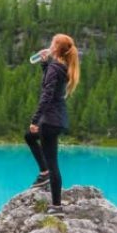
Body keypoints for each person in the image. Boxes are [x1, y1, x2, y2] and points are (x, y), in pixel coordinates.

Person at [24, 34, 80, 214]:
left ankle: (56, 206)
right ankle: (44, 173)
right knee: (29, 137)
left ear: (56, 48)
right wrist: (44, 64)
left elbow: (47, 95)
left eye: (52, 43)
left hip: (48, 121)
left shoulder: (55, 68)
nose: (49, 46)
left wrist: (35, 120)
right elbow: (51, 83)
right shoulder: (60, 66)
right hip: (57, 119)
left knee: (53, 163)